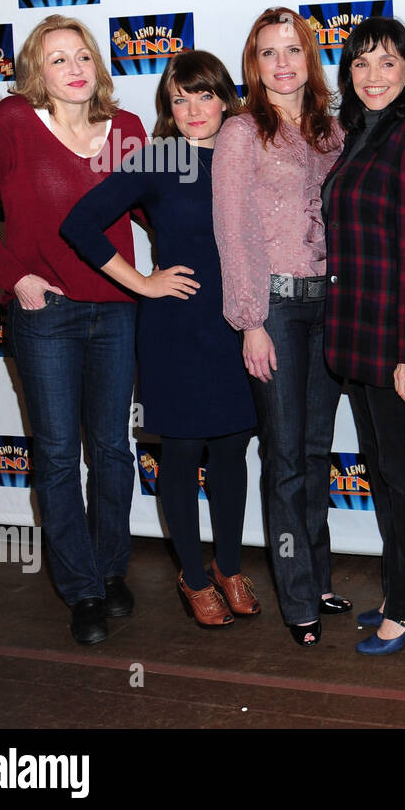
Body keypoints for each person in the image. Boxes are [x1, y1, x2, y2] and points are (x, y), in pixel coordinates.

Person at [0, 14, 145, 645]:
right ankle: (81, 590)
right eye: (57, 60)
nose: (75, 68)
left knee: (111, 451)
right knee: (58, 454)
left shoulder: (127, 130)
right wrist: (15, 276)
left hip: (117, 311)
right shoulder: (12, 125)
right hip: (43, 315)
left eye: (82, 55)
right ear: (37, 72)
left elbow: (163, 204)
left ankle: (111, 573)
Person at [61, 51, 259, 629]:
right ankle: (193, 578)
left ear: (225, 97)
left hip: (239, 324)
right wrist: (142, 281)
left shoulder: (247, 153)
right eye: (179, 98)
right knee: (179, 452)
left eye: (203, 95)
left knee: (231, 449)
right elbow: (79, 223)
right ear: (167, 108)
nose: (193, 109)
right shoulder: (159, 158)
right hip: (177, 329)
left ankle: (227, 566)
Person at [212, 7, 346, 647]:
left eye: (293, 49)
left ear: (309, 57)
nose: (283, 62)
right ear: (254, 64)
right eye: (269, 52)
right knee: (286, 457)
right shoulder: (243, 133)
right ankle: (296, 600)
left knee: (316, 451)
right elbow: (233, 230)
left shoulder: (331, 132)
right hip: (276, 309)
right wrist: (251, 321)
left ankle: (317, 577)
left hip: (332, 307)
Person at [323, 17, 405, 656]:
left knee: (404, 479)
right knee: (385, 475)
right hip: (358, 342)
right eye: (361, 64)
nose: (373, 76)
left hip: (394, 346)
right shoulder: (361, 137)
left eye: (388, 63)